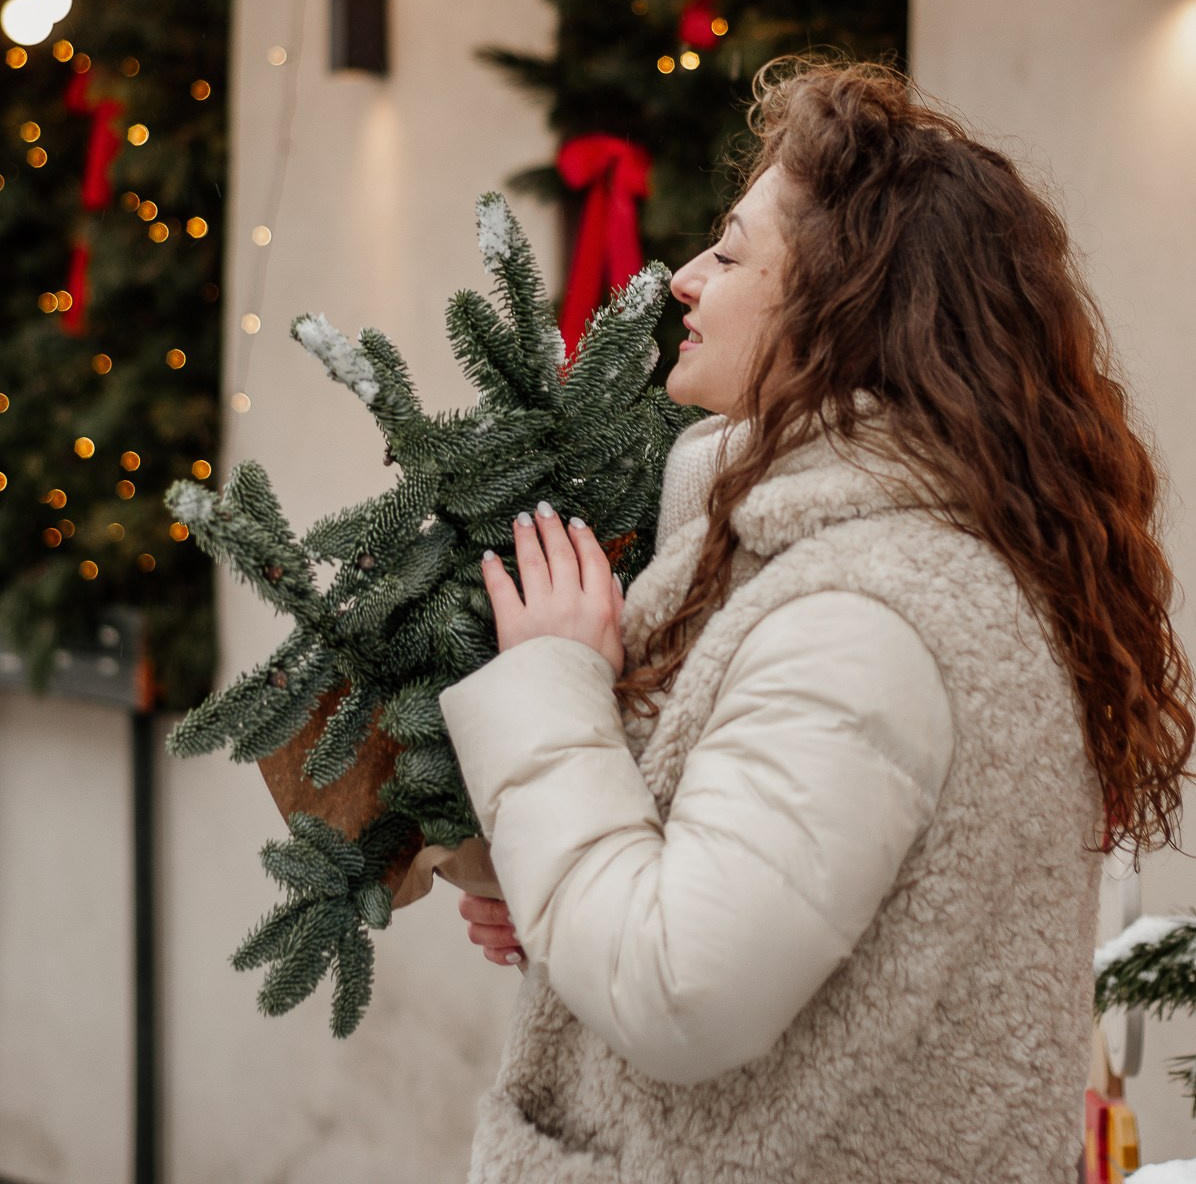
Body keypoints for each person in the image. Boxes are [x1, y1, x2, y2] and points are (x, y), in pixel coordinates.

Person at [438, 59, 1193, 1183]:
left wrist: (552, 676)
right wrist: (556, 888)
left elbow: (681, 990)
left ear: (841, 305)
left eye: (733, 253)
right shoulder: (850, 559)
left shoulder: (861, 617)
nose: (686, 276)